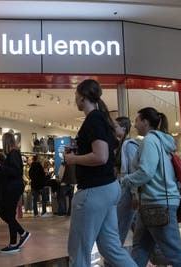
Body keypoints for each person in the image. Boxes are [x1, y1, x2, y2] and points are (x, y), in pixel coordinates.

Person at [64, 79, 136, 267]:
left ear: (82, 96)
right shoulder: (102, 119)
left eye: (76, 96)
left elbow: (101, 156)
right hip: (108, 188)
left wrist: (73, 159)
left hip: (93, 190)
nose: (75, 100)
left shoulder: (94, 120)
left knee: (78, 251)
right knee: (110, 247)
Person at [121, 107, 181, 267]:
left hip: (157, 202)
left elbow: (146, 172)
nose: (135, 124)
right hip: (153, 203)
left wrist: (125, 180)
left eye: (137, 120)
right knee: (140, 247)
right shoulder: (161, 141)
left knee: (174, 251)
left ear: (146, 122)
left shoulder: (149, 141)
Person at [0, 132, 31, 253]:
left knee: (7, 214)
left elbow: (16, 171)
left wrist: (0, 167)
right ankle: (18, 238)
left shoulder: (13, 154)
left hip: (12, 188)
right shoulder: (12, 154)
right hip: (11, 187)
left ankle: (18, 238)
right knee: (7, 214)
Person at [114, 116, 140, 246]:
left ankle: (114, 258)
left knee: (121, 224)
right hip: (124, 188)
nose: (113, 129)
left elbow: (133, 169)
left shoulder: (128, 145)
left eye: (115, 126)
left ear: (123, 129)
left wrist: (134, 193)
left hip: (128, 189)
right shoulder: (120, 145)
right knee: (135, 224)